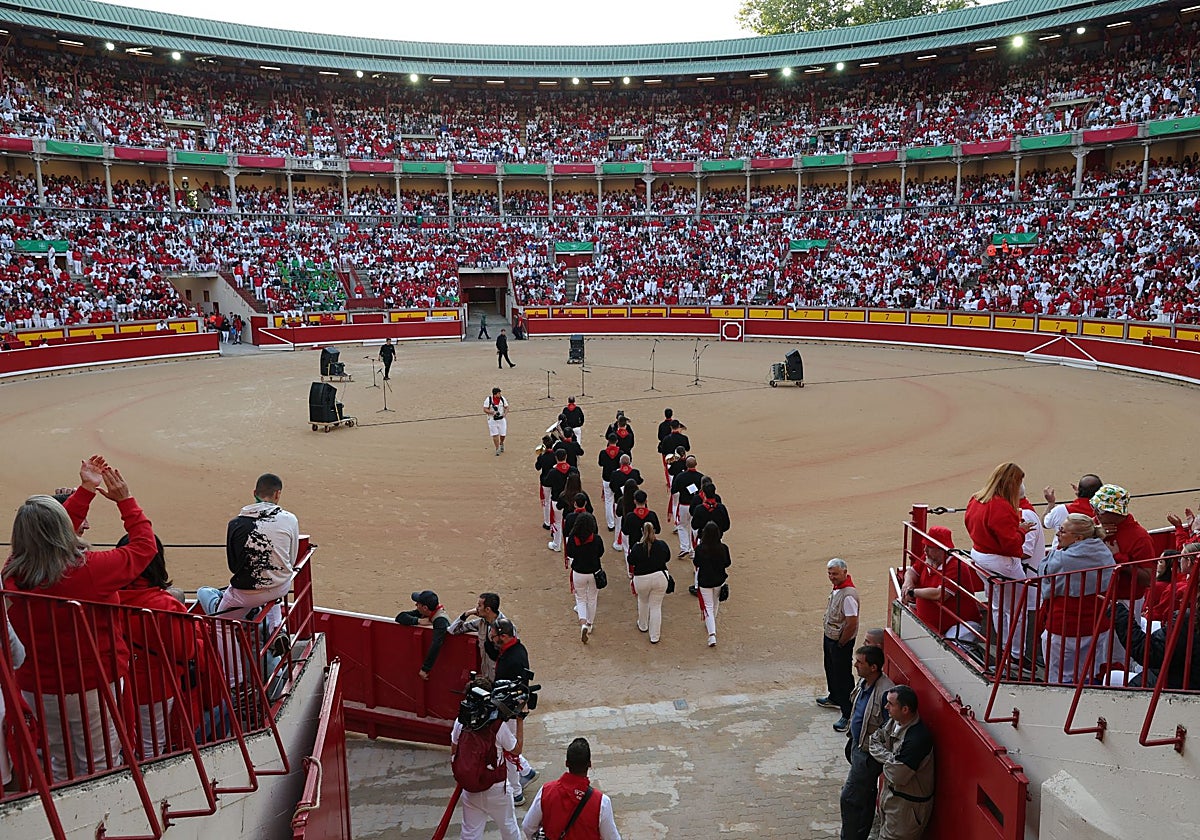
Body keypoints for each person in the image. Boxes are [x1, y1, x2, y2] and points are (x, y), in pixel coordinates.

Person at [2, 456, 157, 781]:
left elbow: (48, 536)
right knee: (100, 763)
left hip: (37, 684)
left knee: (58, 763)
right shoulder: (88, 571)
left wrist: (86, 490)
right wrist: (125, 500)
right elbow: (145, 547)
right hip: (92, 684)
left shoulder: (14, 571)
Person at [118, 534, 205, 758]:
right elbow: (186, 651)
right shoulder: (165, 605)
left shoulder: (105, 597)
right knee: (151, 744)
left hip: (115, 683)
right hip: (154, 685)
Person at [200, 473, 300, 635]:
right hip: (281, 586)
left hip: (247, 594)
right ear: (277, 494)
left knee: (221, 625)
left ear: (255, 493)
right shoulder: (290, 519)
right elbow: (291, 558)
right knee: (269, 588)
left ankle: (232, 660)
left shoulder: (235, 524)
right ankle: (276, 628)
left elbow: (234, 567)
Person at [964, 462, 1036, 664]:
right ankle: (1015, 654)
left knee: (997, 605)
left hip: (980, 555)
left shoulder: (977, 498)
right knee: (1016, 610)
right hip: (1001, 562)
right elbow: (1010, 544)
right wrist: (1021, 531)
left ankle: (1004, 647)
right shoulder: (1002, 506)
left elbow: (970, 524)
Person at [1038, 513, 1117, 684]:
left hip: (1066, 625)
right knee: (1089, 673)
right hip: (1098, 622)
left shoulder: (1063, 558)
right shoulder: (1103, 550)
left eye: (1062, 531)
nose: (1058, 534)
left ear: (1078, 538)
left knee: (1058, 678)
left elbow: (1043, 570)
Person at [450, 676, 521, 840]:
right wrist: (520, 720)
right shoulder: (497, 725)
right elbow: (516, 750)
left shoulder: (461, 721)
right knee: (509, 829)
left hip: (470, 787)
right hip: (496, 789)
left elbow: (454, 751)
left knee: (470, 834)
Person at [840, 644, 896, 840]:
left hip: (868, 755)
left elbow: (889, 730)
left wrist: (872, 752)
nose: (855, 665)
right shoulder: (863, 683)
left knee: (849, 798)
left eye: (860, 662)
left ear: (873, 667)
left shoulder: (885, 692)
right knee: (865, 794)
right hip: (858, 746)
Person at [522, 736, 622, 840]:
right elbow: (611, 837)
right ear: (589, 764)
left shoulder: (546, 791)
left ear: (566, 763)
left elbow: (527, 827)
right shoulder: (602, 802)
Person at [869, 685, 935, 840]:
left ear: (905, 709)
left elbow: (897, 775)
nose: (886, 707)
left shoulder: (917, 739)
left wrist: (886, 760)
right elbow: (873, 741)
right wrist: (892, 759)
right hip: (893, 800)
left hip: (907, 810)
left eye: (890, 704)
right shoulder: (894, 721)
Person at [900, 526, 983, 643]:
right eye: (925, 545)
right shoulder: (928, 557)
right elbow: (912, 571)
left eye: (929, 547)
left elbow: (940, 594)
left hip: (961, 624)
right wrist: (907, 583)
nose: (925, 550)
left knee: (954, 647)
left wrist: (912, 592)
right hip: (937, 624)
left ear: (941, 549)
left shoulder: (956, 566)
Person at [487, 621, 538, 804]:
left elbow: (516, 691)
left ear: (504, 637)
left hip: (509, 710)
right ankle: (526, 771)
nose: (492, 639)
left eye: (493, 636)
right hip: (510, 709)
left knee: (508, 750)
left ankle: (516, 792)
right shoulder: (515, 649)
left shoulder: (513, 658)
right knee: (507, 745)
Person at [1091, 484, 1154, 617]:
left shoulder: (1140, 537)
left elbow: (1147, 579)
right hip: (1094, 596)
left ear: (1116, 512)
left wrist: (1119, 558)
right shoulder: (1094, 525)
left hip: (1125, 601)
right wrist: (1092, 535)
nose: (1095, 513)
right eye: (1094, 507)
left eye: (1100, 510)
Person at [818, 558, 859, 731]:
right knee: (830, 668)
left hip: (839, 641)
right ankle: (834, 697)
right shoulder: (839, 589)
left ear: (844, 572)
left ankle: (848, 714)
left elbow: (851, 623)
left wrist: (842, 642)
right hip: (831, 637)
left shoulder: (848, 594)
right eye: (829, 573)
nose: (831, 577)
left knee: (843, 676)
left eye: (835, 573)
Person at [449, 592, 511, 681]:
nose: (476, 608)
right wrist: (466, 614)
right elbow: (453, 630)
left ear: (488, 609)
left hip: (500, 679)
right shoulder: (481, 623)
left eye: (479, 605)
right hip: (486, 676)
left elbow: (511, 653)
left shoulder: (506, 627)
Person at [628, 521, 671, 644]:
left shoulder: (637, 547)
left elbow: (630, 560)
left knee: (642, 600)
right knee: (656, 607)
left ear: (642, 532)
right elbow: (667, 557)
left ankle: (643, 625)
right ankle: (654, 636)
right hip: (660, 578)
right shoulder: (662, 545)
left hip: (641, 579)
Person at [565, 513, 605, 644]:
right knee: (592, 598)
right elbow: (601, 553)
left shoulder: (572, 539)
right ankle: (589, 624)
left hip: (578, 573)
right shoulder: (597, 539)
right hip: (594, 572)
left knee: (580, 599)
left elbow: (570, 553)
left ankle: (583, 623)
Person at [395, 590, 451, 680]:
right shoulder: (426, 612)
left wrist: (425, 669)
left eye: (418, 603)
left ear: (425, 607)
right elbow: (400, 616)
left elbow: (436, 644)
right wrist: (418, 621)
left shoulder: (440, 620)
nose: (416, 605)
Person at [693, 521, 731, 648]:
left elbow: (696, 563)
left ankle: (712, 634)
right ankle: (711, 624)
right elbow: (727, 563)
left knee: (708, 606)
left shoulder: (700, 549)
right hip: (719, 580)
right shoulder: (723, 548)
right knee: (715, 604)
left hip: (705, 581)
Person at [1043, 473, 1102, 550]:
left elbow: (1045, 524)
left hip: (1062, 557)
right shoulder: (1104, 513)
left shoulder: (1061, 510)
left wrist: (1051, 503)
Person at [670, 456, 705, 559]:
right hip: (697, 506)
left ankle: (684, 547)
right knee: (695, 527)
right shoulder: (701, 477)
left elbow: (674, 491)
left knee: (682, 526)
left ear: (686, 465)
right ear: (696, 464)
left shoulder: (680, 477)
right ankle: (694, 550)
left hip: (684, 505)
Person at [596, 433, 622, 531]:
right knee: (618, 499)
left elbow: (600, 464)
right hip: (618, 480)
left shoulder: (603, 452)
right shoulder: (620, 453)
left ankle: (610, 524)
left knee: (608, 501)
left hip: (607, 479)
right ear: (617, 441)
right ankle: (618, 521)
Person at [485, 387, 509, 456]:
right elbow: (485, 409)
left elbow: (507, 407)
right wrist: (492, 412)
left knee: (503, 434)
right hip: (492, 420)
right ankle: (497, 448)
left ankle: (501, 443)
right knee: (495, 434)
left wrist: (505, 414)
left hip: (501, 419)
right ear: (495, 394)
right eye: (499, 393)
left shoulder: (502, 399)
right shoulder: (488, 400)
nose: (500, 394)